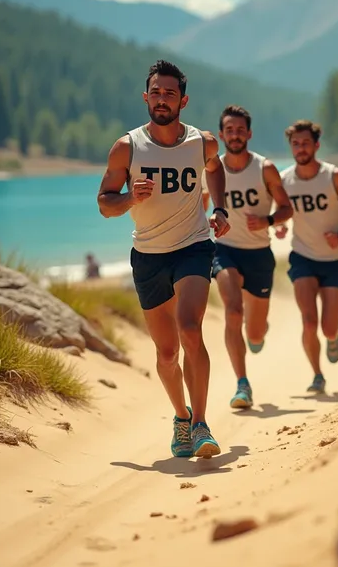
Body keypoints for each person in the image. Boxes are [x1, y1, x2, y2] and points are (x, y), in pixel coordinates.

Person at [97, 59, 230, 459]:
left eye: (169, 93)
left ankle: (203, 424)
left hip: (193, 245)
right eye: (155, 92)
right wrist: (129, 198)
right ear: (145, 97)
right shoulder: (127, 147)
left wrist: (220, 210)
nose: (161, 99)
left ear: (183, 100)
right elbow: (105, 205)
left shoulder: (202, 142)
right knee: (167, 353)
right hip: (148, 256)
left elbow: (215, 168)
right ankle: (181, 416)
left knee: (191, 328)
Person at [211, 105, 293, 409]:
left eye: (240, 130)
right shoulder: (212, 169)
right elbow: (200, 205)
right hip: (225, 250)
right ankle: (242, 384)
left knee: (255, 332)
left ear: (249, 134)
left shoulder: (265, 168)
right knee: (233, 312)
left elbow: (287, 208)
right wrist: (207, 220)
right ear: (221, 134)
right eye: (229, 130)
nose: (235, 135)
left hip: (259, 253)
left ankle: (259, 332)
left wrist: (269, 222)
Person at [277, 120, 338, 394]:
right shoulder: (285, 179)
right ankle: (317, 375)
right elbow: (280, 211)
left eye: (305, 143)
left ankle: (334, 336)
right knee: (309, 320)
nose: (300, 149)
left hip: (334, 259)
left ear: (316, 145)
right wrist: (279, 227)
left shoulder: (332, 175)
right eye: (295, 144)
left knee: (327, 328)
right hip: (302, 256)